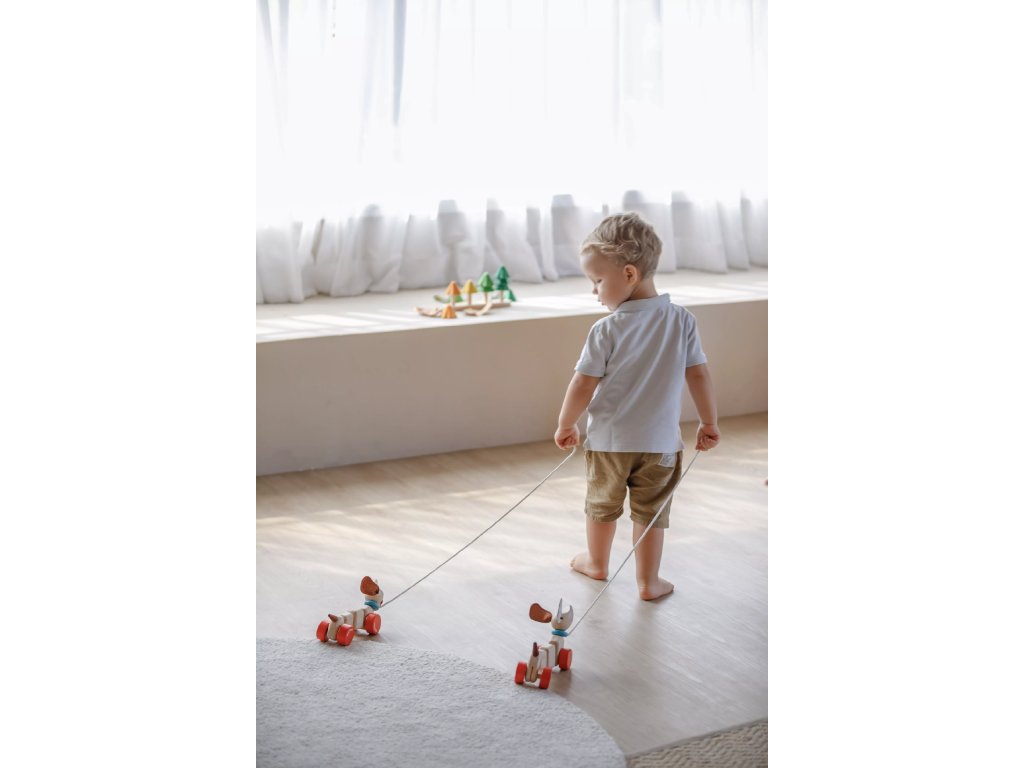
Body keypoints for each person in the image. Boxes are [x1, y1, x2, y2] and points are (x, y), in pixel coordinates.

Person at [553, 212, 720, 600]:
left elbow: (583, 382)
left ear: (629, 274)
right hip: (661, 445)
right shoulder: (682, 321)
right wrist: (708, 421)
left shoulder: (607, 329)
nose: (594, 291)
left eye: (597, 281)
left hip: (610, 443)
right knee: (651, 514)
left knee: (602, 507)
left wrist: (566, 423)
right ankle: (648, 582)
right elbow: (699, 375)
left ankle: (597, 563)